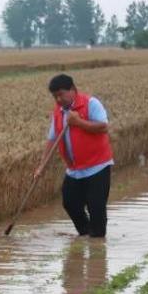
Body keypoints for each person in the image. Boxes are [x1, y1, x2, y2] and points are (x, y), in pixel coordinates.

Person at [36, 73, 114, 238]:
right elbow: (52, 139)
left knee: (96, 207)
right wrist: (42, 166)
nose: (58, 99)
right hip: (74, 169)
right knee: (70, 203)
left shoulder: (90, 104)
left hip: (97, 166)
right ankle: (86, 233)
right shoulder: (58, 112)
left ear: (72, 90)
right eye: (55, 96)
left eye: (61, 94)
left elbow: (103, 127)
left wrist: (79, 123)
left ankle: (97, 243)